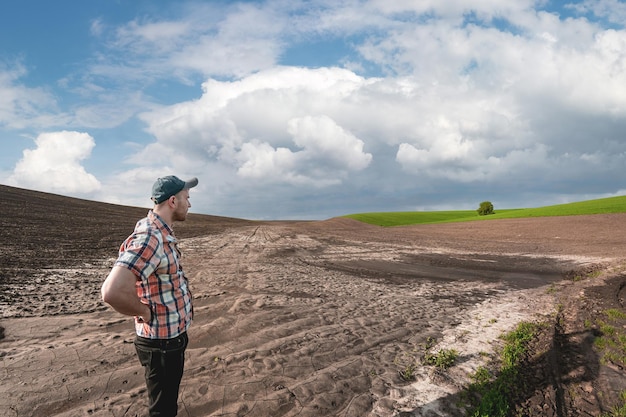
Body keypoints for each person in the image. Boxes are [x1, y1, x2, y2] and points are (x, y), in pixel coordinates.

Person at [101, 175, 198, 417]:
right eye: (187, 198)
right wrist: (143, 311)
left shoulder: (158, 234)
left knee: (165, 405)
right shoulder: (151, 237)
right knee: (163, 411)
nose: (190, 204)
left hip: (168, 340)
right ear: (173, 201)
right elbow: (111, 292)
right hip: (161, 345)